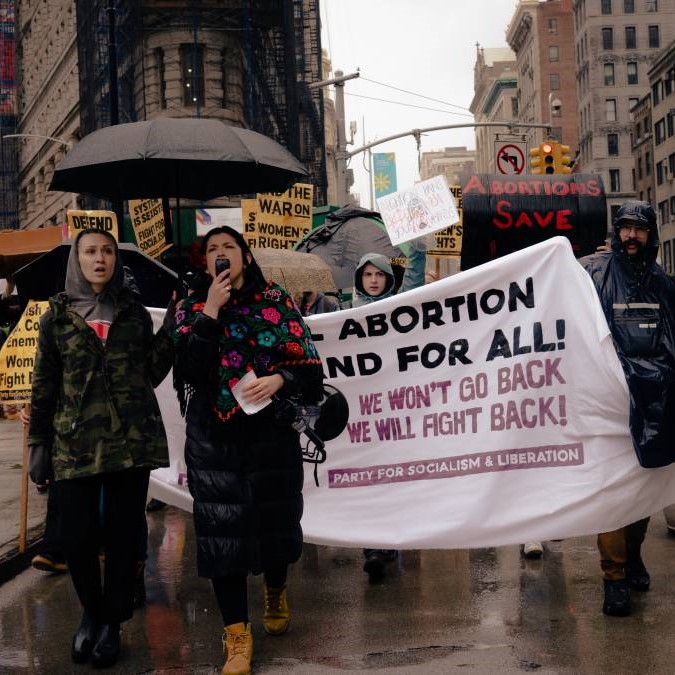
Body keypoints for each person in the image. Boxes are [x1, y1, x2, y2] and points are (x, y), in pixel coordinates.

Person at [172, 226, 324, 675]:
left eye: (229, 248)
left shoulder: (276, 301)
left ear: (244, 256)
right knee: (223, 533)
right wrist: (211, 313)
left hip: (269, 438)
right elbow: (186, 370)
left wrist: (280, 379)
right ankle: (237, 633)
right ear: (205, 262)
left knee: (275, 525)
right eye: (213, 249)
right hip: (214, 440)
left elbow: (312, 371)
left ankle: (275, 587)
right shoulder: (191, 306)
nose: (221, 255)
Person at [28, 229, 174, 666]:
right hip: (75, 444)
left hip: (131, 442)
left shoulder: (133, 313)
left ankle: (112, 622)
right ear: (78, 259)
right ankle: (91, 613)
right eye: (91, 251)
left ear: (115, 260)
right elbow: (44, 385)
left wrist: (174, 328)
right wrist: (38, 442)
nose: (100, 259)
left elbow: (151, 371)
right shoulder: (55, 317)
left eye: (107, 251)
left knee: (125, 537)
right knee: (77, 537)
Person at [580, 200, 675, 617]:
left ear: (650, 233)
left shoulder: (664, 284)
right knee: (611, 498)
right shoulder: (593, 274)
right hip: (607, 405)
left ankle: (633, 555)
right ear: (615, 232)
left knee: (639, 494)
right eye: (625, 229)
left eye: (639, 229)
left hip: (653, 404)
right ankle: (613, 578)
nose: (631, 236)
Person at [351, 238, 425, 580]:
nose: (374, 279)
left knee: (391, 478)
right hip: (361, 412)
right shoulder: (345, 313)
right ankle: (372, 547)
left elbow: (414, 279)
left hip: (394, 407)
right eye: (367, 274)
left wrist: (417, 250)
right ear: (359, 279)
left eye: (379, 273)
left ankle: (389, 542)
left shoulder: (399, 305)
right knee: (367, 481)